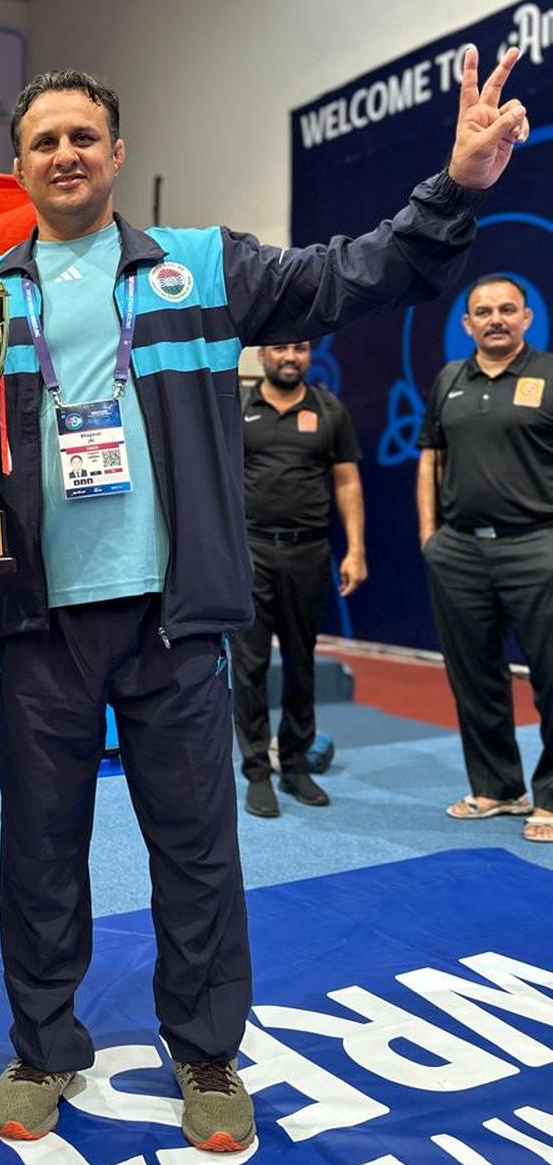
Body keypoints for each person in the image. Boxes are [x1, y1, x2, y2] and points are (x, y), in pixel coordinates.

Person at [0, 50, 528, 1154]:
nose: (64, 152)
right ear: (15, 164)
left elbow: (352, 273)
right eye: (43, 139)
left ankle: (205, 1049)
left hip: (173, 612)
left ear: (117, 154)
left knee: (198, 846)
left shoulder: (197, 267)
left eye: (82, 135)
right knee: (38, 847)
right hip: (41, 620)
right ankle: (45, 1042)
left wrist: (454, 184)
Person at [417, 273, 553, 845]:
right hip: (461, 552)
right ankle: (499, 787)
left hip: (537, 546)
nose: (495, 318)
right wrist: (430, 536)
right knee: (475, 678)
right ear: (467, 324)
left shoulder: (548, 376)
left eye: (506, 309)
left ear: (526, 318)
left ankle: (549, 799)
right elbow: (430, 459)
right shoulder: (450, 378)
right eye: (482, 311)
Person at [233, 341, 365, 817]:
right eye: (281, 347)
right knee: (248, 666)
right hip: (250, 551)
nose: (291, 355)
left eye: (301, 348)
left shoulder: (330, 410)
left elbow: (347, 480)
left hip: (309, 551)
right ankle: (255, 772)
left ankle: (294, 765)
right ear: (262, 356)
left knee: (300, 660)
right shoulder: (239, 407)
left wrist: (356, 550)